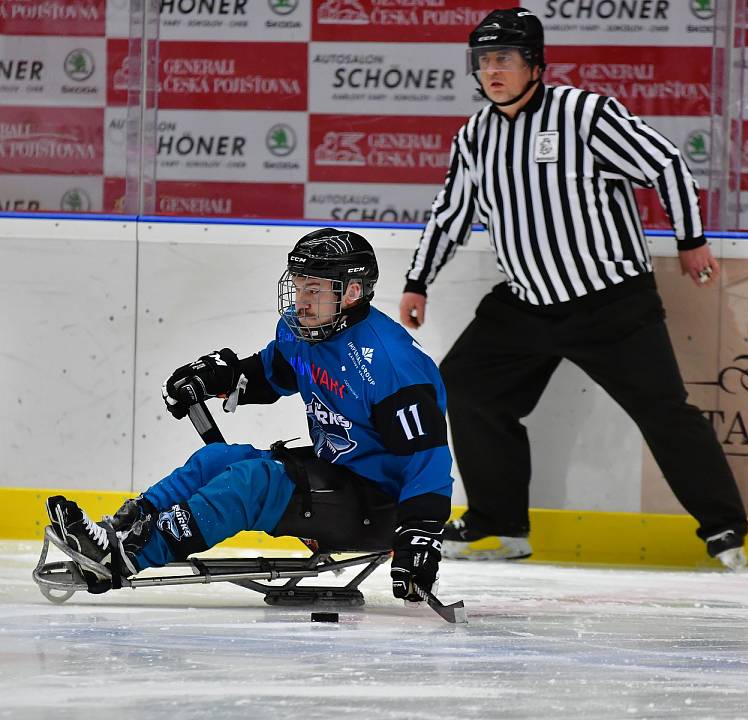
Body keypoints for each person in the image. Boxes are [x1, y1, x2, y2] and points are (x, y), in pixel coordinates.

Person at [398, 7, 748, 570]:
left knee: (665, 411)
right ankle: (500, 521)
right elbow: (449, 215)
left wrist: (691, 240)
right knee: (466, 385)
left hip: (610, 302)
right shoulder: (474, 135)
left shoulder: (585, 114)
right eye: (484, 60)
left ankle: (724, 528)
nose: (493, 71)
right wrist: (419, 282)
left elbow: (666, 164)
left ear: (535, 64)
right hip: (526, 304)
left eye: (505, 59)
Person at [46, 227, 453, 603]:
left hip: (383, 507)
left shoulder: (390, 363)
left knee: (253, 483)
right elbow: (271, 374)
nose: (301, 300)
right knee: (217, 459)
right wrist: (222, 376)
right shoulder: (304, 331)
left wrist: (419, 536)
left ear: (350, 292)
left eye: (313, 289)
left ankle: (123, 560)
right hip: (341, 475)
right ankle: (115, 532)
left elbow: (428, 458)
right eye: (298, 286)